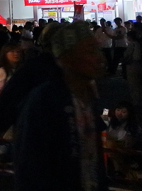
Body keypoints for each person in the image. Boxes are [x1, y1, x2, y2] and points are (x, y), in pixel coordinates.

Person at [13, 22, 108, 191]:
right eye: (90, 51)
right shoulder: (44, 100)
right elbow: (30, 167)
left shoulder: (88, 97)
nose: (99, 58)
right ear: (66, 58)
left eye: (97, 50)